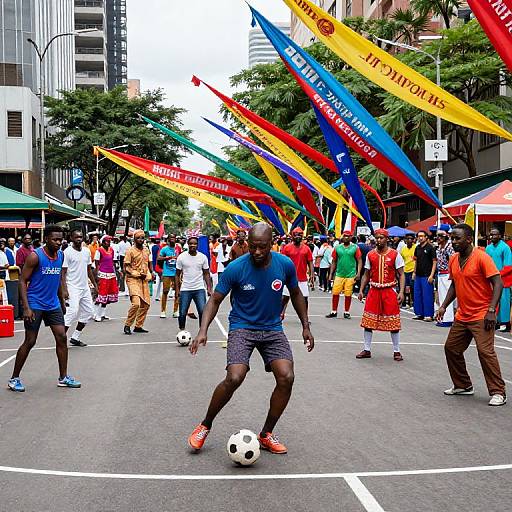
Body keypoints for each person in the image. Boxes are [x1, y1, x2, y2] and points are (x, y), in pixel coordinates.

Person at [187, 223, 314, 453]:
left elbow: (296, 293)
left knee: (286, 377)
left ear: (271, 244)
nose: (256, 252)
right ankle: (205, 425)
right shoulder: (236, 268)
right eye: (253, 247)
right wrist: (203, 330)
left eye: (262, 247)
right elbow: (215, 300)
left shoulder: (284, 265)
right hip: (242, 327)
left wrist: (306, 325)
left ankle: (266, 434)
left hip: (273, 329)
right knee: (235, 377)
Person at [436, 224, 506, 406]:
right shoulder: (454, 259)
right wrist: (443, 306)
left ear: (468, 239)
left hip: (482, 314)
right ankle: (463, 385)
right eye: (452, 238)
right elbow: (454, 284)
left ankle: (498, 392)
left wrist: (492, 310)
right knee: (451, 348)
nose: (453, 241)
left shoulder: (482, 257)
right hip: (463, 315)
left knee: (485, 352)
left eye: (457, 238)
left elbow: (498, 283)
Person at [8, 225, 81, 392]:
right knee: (30, 341)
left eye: (60, 239)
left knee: (62, 337)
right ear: (46, 239)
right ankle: (14, 378)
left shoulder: (61, 255)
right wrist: (26, 307)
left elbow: (56, 281)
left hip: (52, 303)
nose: (58, 242)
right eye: (55, 239)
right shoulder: (35, 256)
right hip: (35, 303)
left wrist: (61, 301)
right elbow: (21, 281)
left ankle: (63, 377)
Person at [356, 229, 405, 361]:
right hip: (374, 290)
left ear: (386, 239)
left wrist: (401, 292)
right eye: (377, 238)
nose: (378, 240)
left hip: (389, 291)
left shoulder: (395, 255)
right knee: (368, 322)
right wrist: (361, 290)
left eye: (381, 238)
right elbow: (366, 274)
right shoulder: (370, 255)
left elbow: (401, 274)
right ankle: (367, 349)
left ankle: (396, 351)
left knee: (393, 322)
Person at [62, 229, 98, 347]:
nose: (79, 239)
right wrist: (64, 289)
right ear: (71, 238)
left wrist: (94, 285)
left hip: (84, 287)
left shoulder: (86, 251)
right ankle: (61, 339)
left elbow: (89, 269)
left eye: (80, 237)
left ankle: (75, 337)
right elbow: (63, 272)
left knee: (89, 312)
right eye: (76, 237)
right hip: (72, 287)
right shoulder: (67, 252)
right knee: (72, 312)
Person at [175, 236, 212, 332]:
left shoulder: (203, 257)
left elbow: (206, 273)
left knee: (202, 311)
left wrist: (209, 288)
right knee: (182, 312)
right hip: (185, 288)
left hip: (199, 288)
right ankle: (182, 331)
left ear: (197, 245)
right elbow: (177, 275)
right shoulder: (181, 257)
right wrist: (177, 290)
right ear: (188, 244)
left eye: (195, 243)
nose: (193, 245)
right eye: (191, 243)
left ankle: (202, 332)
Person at [326, 231, 362, 319]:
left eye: (348, 236)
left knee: (348, 294)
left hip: (351, 274)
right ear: (342, 237)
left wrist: (358, 273)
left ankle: (347, 312)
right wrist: (331, 274)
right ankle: (334, 311)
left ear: (351, 237)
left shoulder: (355, 247)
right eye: (344, 236)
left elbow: (359, 260)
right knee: (335, 292)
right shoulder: (337, 247)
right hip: (339, 274)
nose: (346, 238)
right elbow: (334, 261)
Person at [123, 230, 153, 335]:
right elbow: (126, 267)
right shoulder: (130, 251)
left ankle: (138, 326)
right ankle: (127, 325)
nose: (141, 240)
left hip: (144, 280)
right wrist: (136, 273)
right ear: (134, 239)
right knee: (136, 303)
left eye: (142, 238)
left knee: (146, 304)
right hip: (133, 279)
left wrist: (150, 273)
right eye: (139, 238)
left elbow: (149, 263)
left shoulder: (146, 250)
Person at [280, 227, 314, 318]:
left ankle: (304, 316)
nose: (298, 236)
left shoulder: (306, 249)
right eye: (296, 235)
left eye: (300, 235)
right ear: (292, 236)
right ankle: (280, 314)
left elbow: (310, 262)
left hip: (302, 278)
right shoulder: (287, 248)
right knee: (285, 298)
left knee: (305, 298)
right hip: (289, 278)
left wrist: (312, 275)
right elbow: (282, 262)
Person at [485, 228, 512, 332]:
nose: (492, 237)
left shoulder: (505, 248)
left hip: (503, 279)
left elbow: (509, 266)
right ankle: (495, 321)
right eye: (491, 235)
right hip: (491, 279)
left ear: (500, 236)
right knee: (493, 301)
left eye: (494, 235)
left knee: (504, 301)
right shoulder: (488, 248)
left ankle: (505, 323)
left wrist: (497, 274)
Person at [412, 230, 437, 322]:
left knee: (427, 295)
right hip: (418, 274)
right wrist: (414, 272)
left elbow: (434, 262)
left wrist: (432, 275)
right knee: (417, 295)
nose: (420, 238)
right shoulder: (417, 248)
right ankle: (419, 313)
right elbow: (416, 261)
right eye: (418, 236)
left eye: (422, 236)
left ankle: (428, 314)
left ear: (426, 237)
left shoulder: (431, 248)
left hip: (427, 275)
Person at [94, 235, 119, 321]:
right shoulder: (99, 250)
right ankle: (96, 314)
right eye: (107, 241)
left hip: (111, 274)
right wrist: (97, 273)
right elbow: (96, 263)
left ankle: (103, 314)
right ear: (103, 242)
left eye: (109, 242)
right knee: (101, 294)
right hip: (102, 274)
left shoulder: (111, 250)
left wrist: (116, 272)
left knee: (107, 295)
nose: (109, 243)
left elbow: (113, 262)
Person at [158, 233, 181, 319]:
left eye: (174, 237)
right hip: (167, 273)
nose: (172, 239)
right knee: (165, 291)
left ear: (175, 239)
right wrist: (167, 258)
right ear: (168, 239)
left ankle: (175, 310)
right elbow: (159, 258)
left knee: (177, 292)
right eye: (170, 237)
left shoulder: (178, 248)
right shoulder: (164, 249)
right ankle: (163, 311)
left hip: (176, 273)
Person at [436, 230, 455, 327]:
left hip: (447, 274)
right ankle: (442, 318)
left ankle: (448, 319)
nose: (438, 238)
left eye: (440, 236)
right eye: (437, 236)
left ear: (445, 237)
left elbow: (453, 260)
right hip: (440, 274)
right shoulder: (439, 247)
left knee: (447, 297)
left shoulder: (449, 247)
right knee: (442, 296)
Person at [400, 234, 417, 309]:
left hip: (413, 270)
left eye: (411, 239)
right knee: (405, 287)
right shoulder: (403, 249)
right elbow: (401, 259)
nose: (409, 240)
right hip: (405, 270)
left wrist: (415, 272)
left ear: (413, 240)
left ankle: (413, 303)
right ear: (405, 240)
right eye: (408, 239)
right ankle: (404, 303)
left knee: (413, 288)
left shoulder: (416, 247)